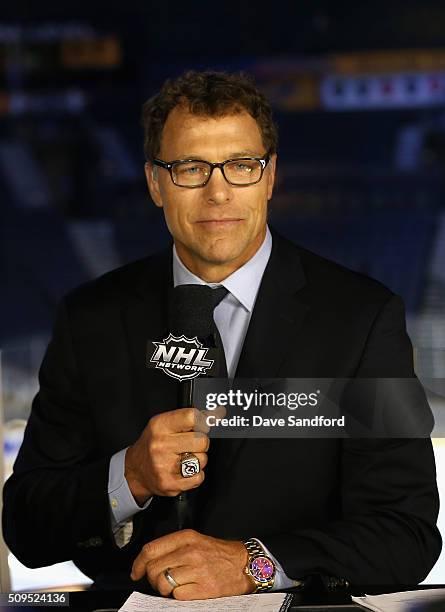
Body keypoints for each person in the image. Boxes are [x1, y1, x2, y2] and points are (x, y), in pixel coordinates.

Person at [2, 70, 441, 601]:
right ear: (154, 183)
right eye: (190, 167)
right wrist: (130, 477)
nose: (218, 192)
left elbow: (406, 534)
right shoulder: (91, 318)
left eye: (240, 166)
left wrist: (252, 564)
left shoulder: (361, 318)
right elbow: (27, 527)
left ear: (270, 176)